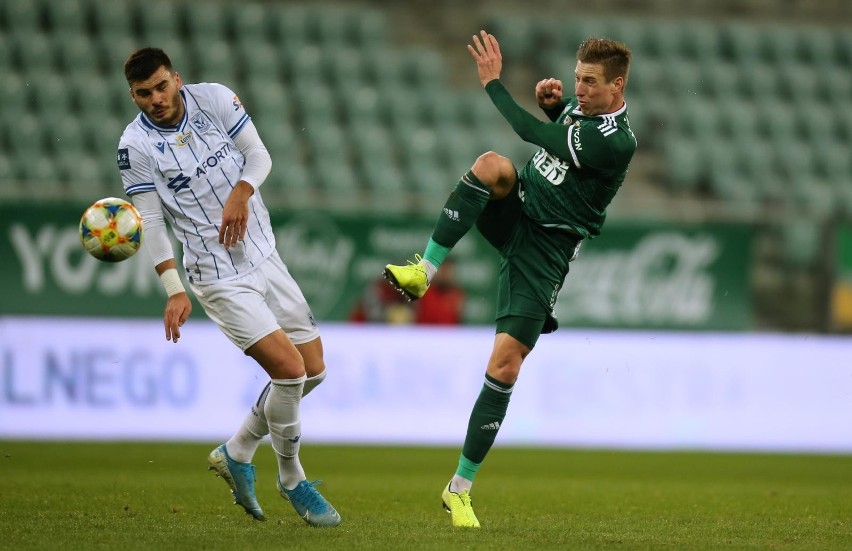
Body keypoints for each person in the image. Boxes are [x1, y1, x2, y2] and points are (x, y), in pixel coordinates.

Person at [384, 31, 636, 527]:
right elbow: (559, 138)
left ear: (617, 85)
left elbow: (533, 134)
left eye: (589, 82)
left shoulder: (616, 141)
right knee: (491, 166)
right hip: (519, 207)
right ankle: (424, 271)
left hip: (546, 250)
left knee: (504, 366)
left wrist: (494, 85)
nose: (579, 88)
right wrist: (556, 105)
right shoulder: (581, 113)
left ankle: (459, 488)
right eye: (577, 78)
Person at [117, 48, 340, 527]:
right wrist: (173, 288)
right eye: (143, 93)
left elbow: (259, 156)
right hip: (216, 273)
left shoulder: (215, 99)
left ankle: (237, 451)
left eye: (160, 86)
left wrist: (241, 191)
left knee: (314, 370)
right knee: (290, 370)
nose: (155, 99)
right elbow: (151, 220)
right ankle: (292, 478)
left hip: (265, 253)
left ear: (176, 79)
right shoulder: (135, 146)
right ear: (132, 95)